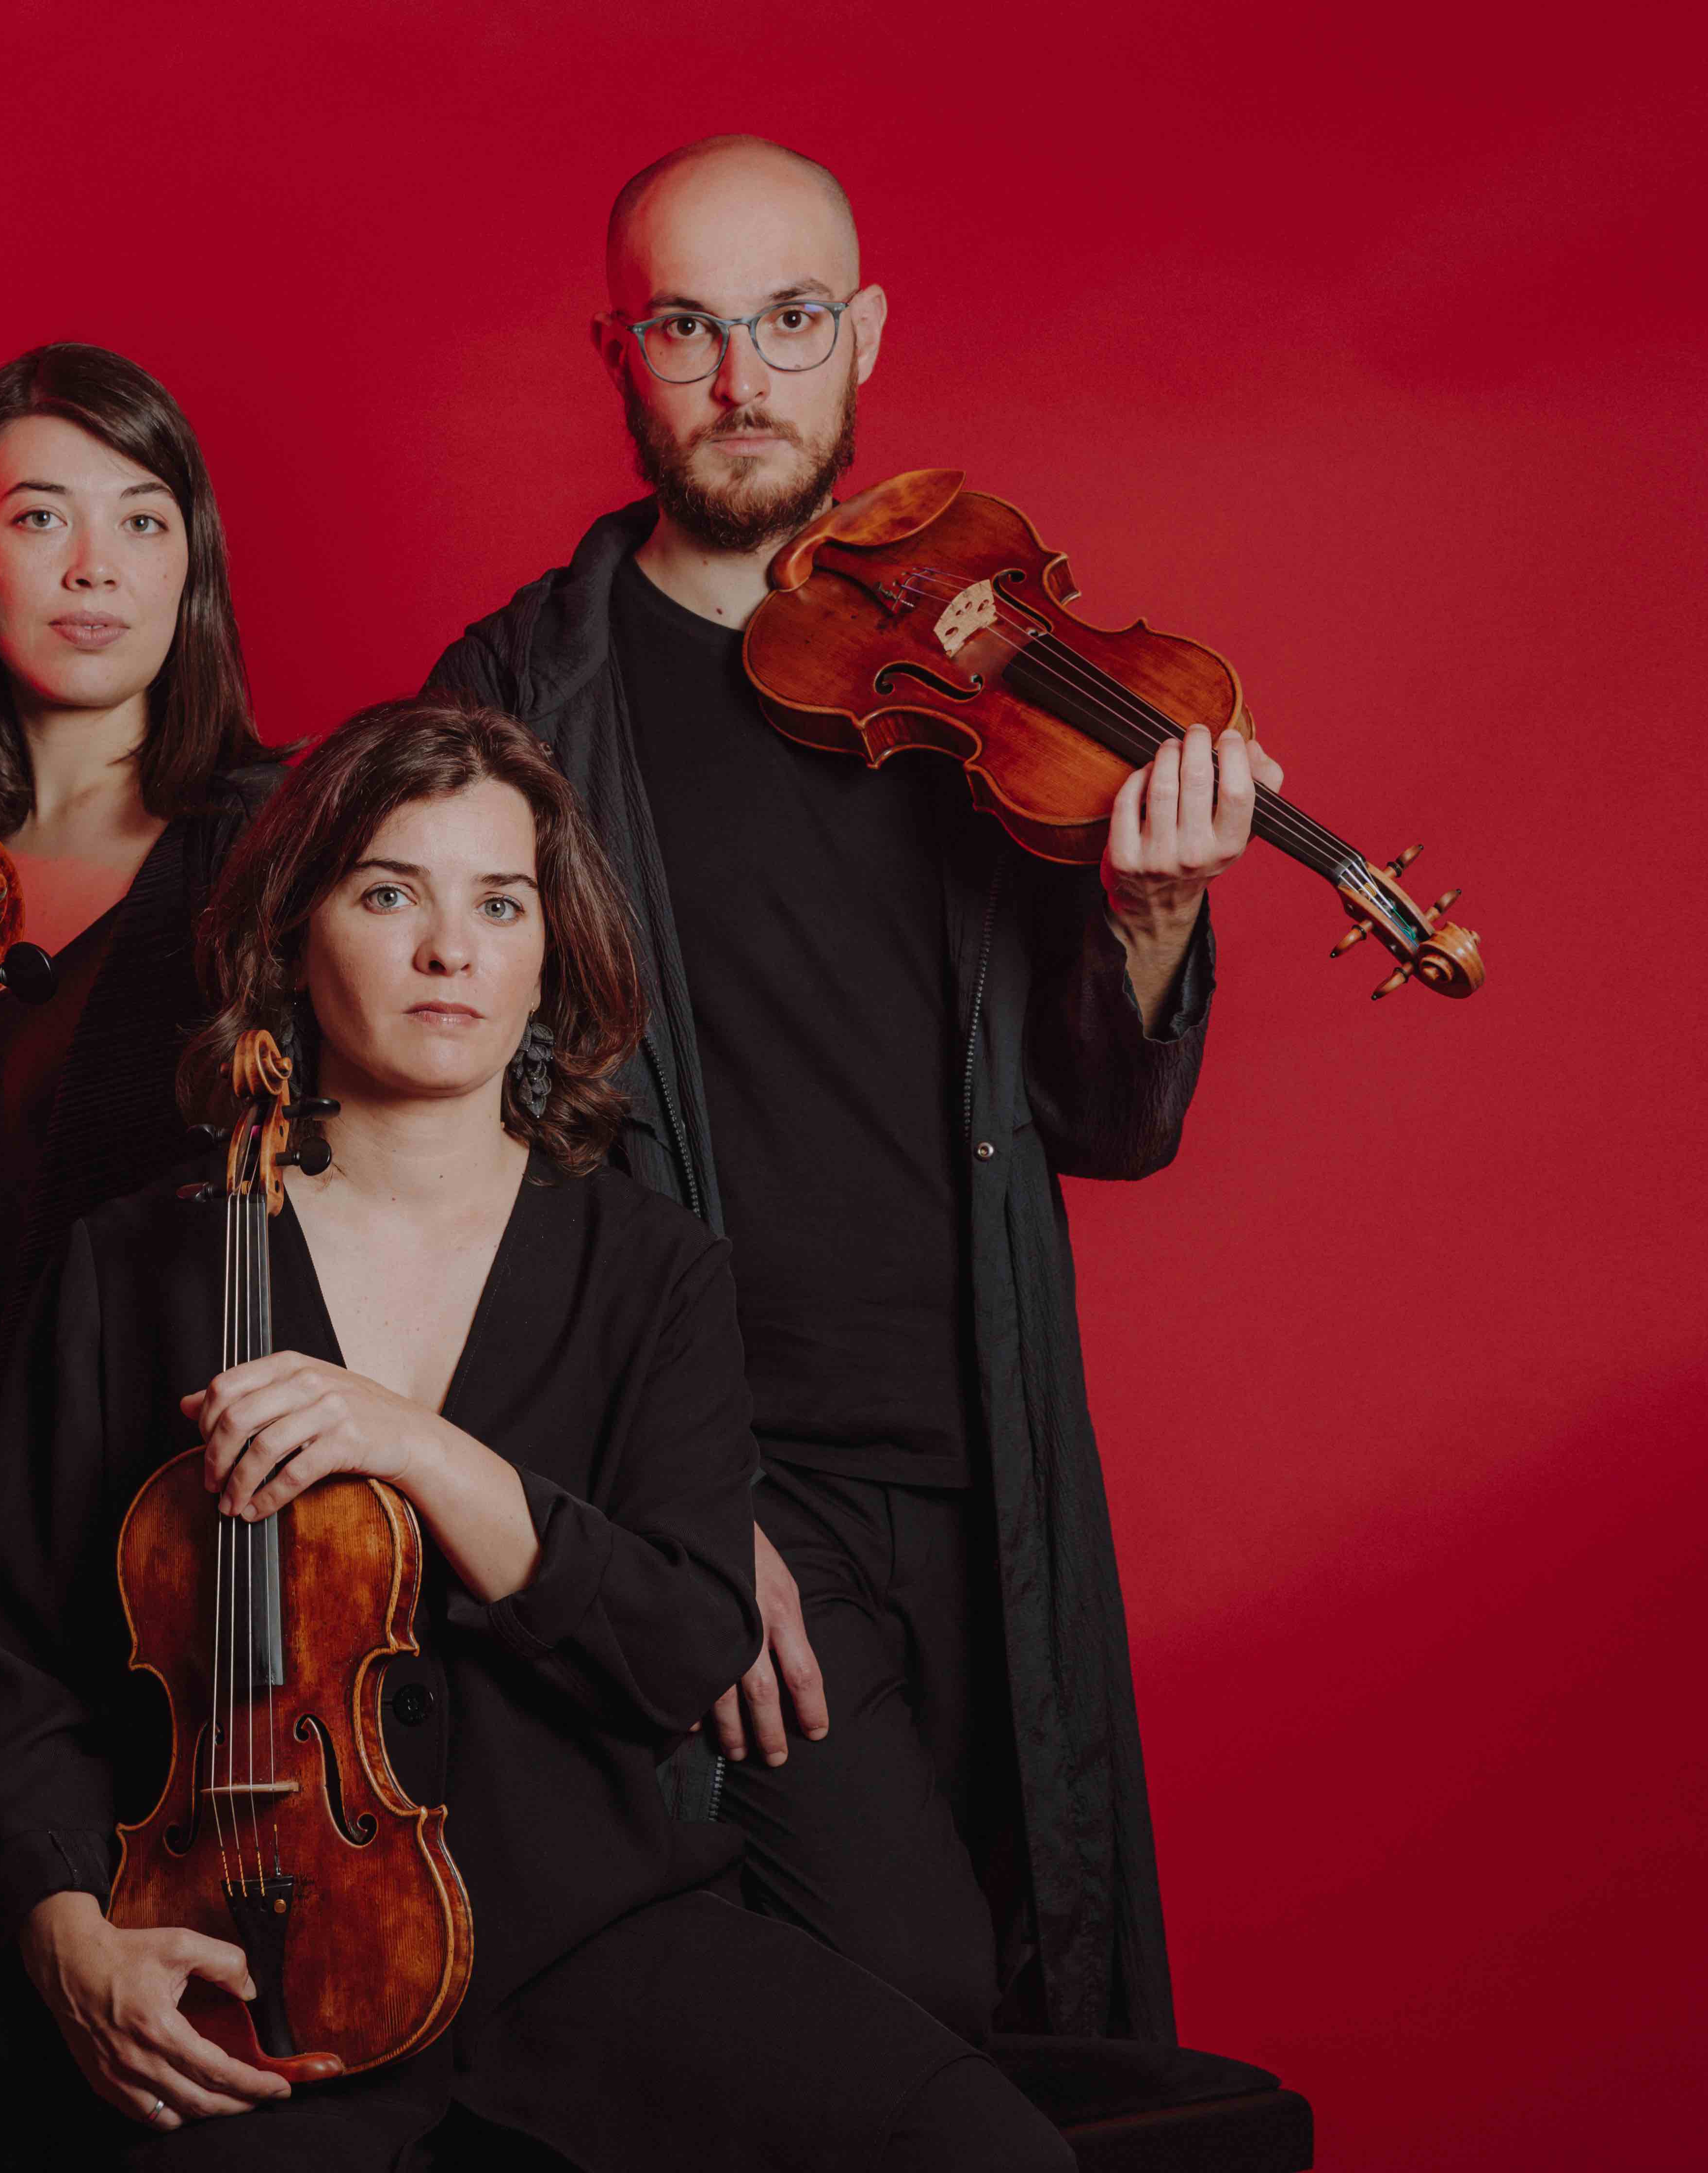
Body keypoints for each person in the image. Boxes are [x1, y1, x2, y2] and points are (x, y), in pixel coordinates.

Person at [0, 697, 1070, 2170]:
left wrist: (428, 1451)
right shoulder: (137, 1266)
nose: (448, 950)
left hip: (593, 1954)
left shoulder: (653, 1271)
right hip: (253, 1976)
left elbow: (686, 1643)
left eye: (499, 903)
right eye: (387, 894)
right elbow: (8, 1661)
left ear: (549, 953)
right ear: (292, 932)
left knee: (992, 2154)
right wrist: (66, 1936)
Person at [423, 136, 1287, 2049]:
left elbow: (1108, 1125)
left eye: (792, 320)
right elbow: (449, 1149)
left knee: (1050, 2005)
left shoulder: (1001, 671)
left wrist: (1152, 913)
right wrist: (666, 1503)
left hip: (993, 1446)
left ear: (868, 334)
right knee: (897, 1999)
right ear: (619, 354)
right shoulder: (518, 698)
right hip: (735, 1474)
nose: (744, 379)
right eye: (688, 327)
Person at [0, 343, 283, 1382]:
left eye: (142, 522)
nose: (94, 567)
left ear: (190, 564)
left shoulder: (273, 845)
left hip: (182, 1422)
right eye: (41, 518)